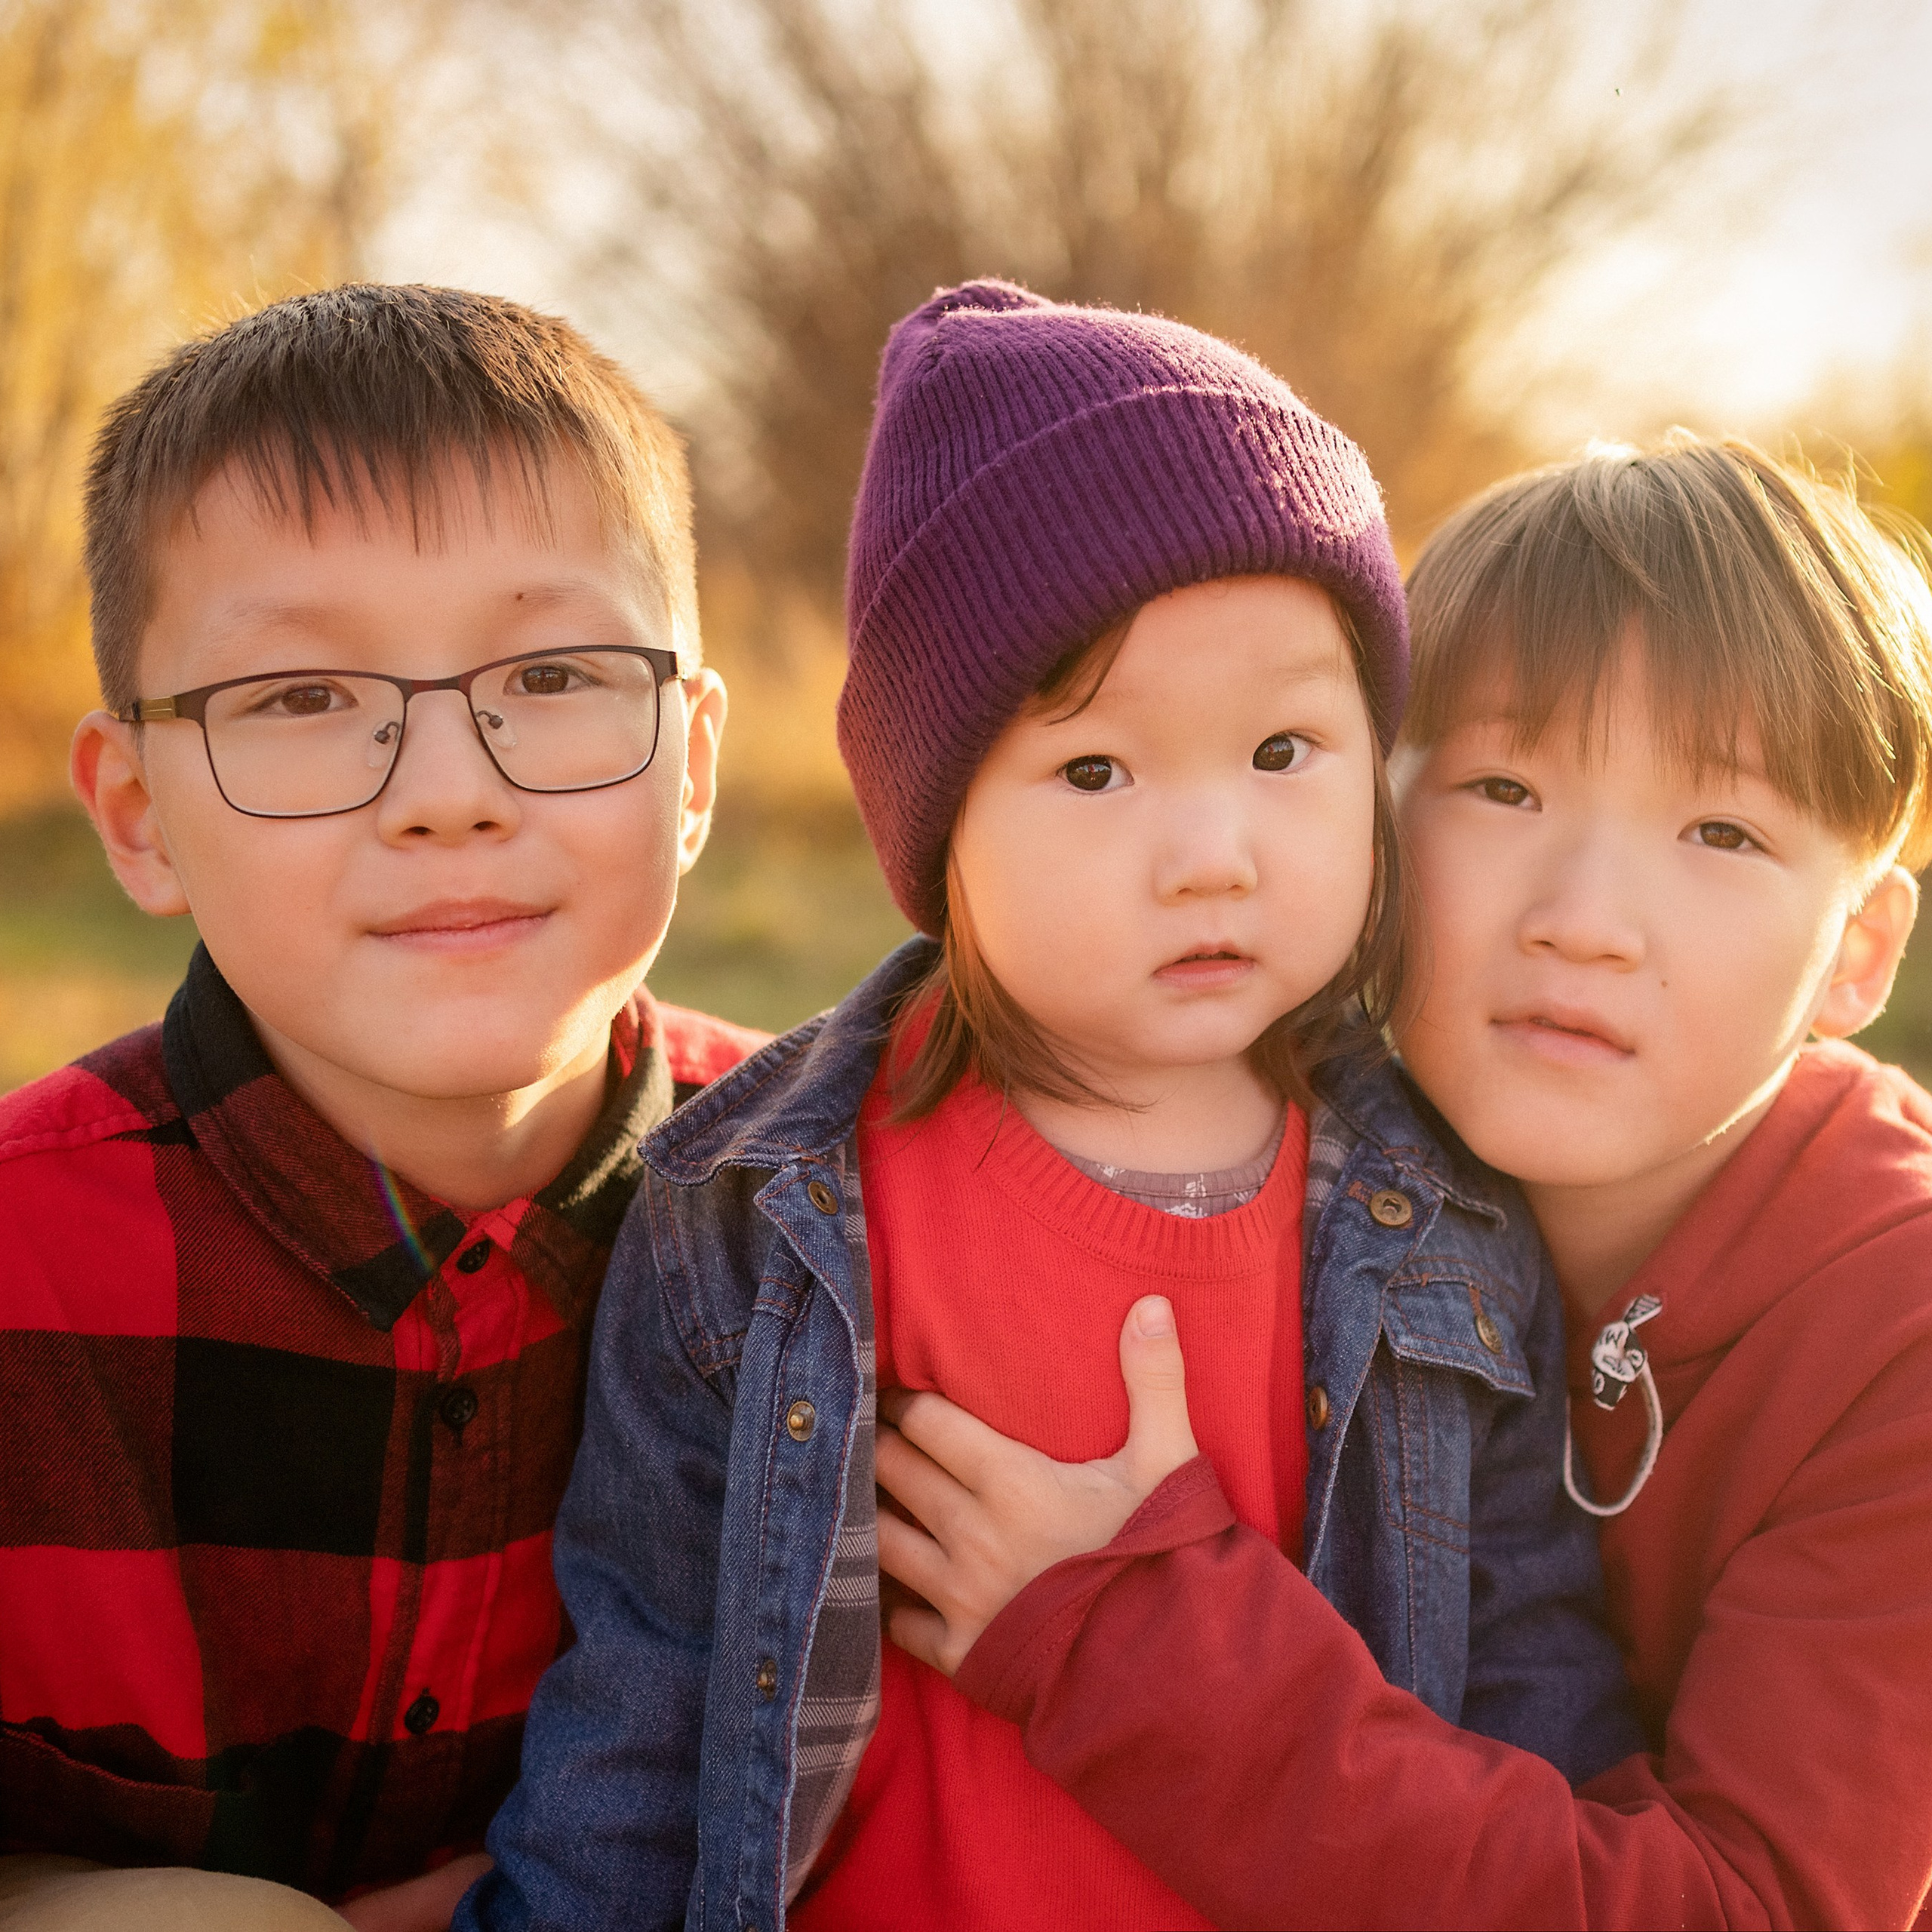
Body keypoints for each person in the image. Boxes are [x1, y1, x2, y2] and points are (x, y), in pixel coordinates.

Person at [460, 280, 1639, 1932]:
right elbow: (638, 1743)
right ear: (940, 830)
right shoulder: (753, 1214)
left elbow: (1528, 1711)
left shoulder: (1441, 1212)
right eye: (1095, 771)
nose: (1211, 848)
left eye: (1284, 748)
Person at [871, 435, 1932, 1928]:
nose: (1584, 921)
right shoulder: (1247, 1141)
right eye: (1500, 786)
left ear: (1858, 951)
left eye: (1719, 831)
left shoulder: (1896, 1336)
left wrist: (1136, 1653)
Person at [0, 285, 764, 1930]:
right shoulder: (18, 1271)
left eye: (553, 671)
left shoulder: (840, 1211)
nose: (447, 794)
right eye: (299, 698)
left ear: (689, 766)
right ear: (136, 815)